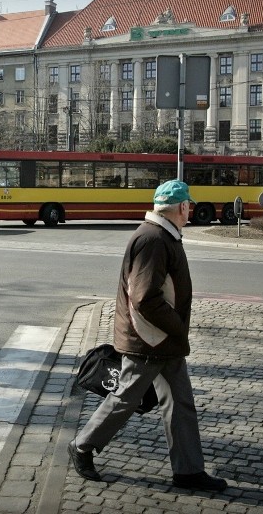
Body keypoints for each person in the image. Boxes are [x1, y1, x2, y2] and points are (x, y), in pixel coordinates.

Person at [68, 179, 228, 492]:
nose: (190, 210)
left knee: (180, 404)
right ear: (181, 207)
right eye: (188, 205)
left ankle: (188, 471)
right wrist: (177, 326)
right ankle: (82, 446)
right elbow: (144, 297)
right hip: (150, 340)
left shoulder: (162, 235)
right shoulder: (154, 238)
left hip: (161, 340)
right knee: (126, 398)